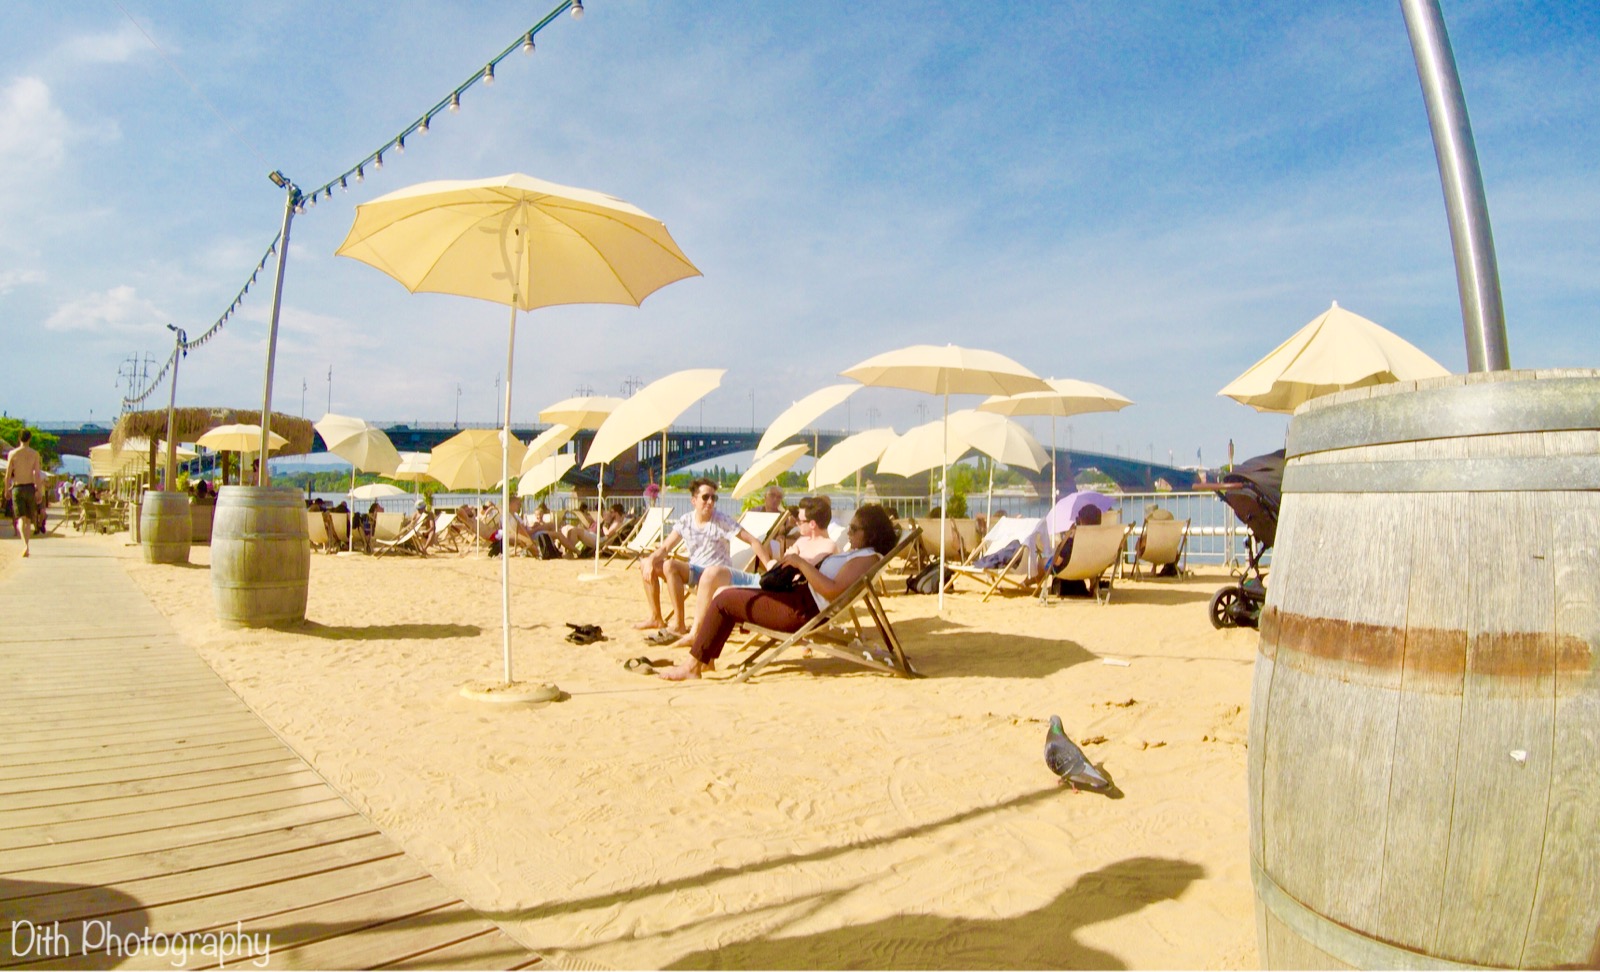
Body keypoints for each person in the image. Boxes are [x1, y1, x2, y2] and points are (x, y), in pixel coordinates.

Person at [658, 504, 898, 681]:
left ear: (872, 533)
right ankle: (706, 659)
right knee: (729, 594)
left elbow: (833, 591)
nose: (849, 532)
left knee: (723, 598)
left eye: (854, 529)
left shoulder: (866, 559)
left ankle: (692, 666)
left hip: (801, 609)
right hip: (798, 598)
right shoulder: (860, 554)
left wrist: (801, 563)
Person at [636, 477, 777, 640]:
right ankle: (656, 618)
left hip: (716, 575)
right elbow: (665, 547)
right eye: (705, 497)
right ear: (694, 500)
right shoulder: (686, 521)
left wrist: (769, 565)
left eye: (713, 498)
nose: (710, 502)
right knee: (646, 563)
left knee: (669, 566)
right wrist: (651, 561)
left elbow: (753, 541)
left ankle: (679, 625)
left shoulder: (721, 520)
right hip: (695, 570)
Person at [4, 430, 44, 557]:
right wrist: (38, 490)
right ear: (29, 439)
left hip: (17, 488)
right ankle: (27, 545)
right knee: (28, 519)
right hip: (30, 487)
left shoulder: (13, 453)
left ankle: (25, 545)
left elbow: (8, 474)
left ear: (19, 439)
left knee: (21, 518)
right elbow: (37, 474)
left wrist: (6, 489)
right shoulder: (34, 454)